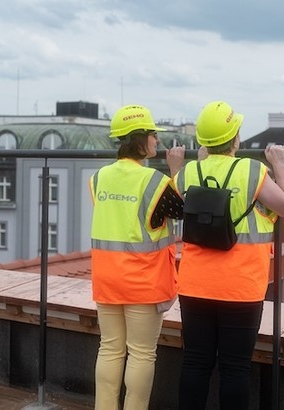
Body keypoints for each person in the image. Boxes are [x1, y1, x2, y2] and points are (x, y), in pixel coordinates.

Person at [173, 101, 284, 409]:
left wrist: (183, 163)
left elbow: (179, 193)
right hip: (240, 288)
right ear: (236, 139)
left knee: (195, 363)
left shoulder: (190, 171)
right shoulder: (251, 170)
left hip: (194, 286)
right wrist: (280, 164)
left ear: (203, 142)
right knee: (234, 368)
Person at [89, 104, 185, 410]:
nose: (157, 140)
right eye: (154, 134)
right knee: (142, 353)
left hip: (107, 278)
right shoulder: (154, 182)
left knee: (110, 349)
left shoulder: (99, 177)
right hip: (143, 281)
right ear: (141, 139)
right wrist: (177, 170)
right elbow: (182, 211)